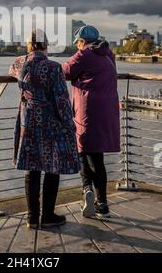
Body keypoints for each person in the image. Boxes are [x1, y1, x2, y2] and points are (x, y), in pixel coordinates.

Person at [9, 29, 80, 229]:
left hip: (28, 122)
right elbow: (62, 100)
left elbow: (13, 71)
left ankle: (32, 217)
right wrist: (69, 124)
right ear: (46, 45)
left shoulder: (18, 63)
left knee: (32, 169)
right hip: (50, 123)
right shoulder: (54, 68)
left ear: (28, 45)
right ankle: (48, 215)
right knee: (52, 167)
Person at [62, 25, 120, 219]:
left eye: (78, 43)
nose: (78, 46)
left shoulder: (84, 55)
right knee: (96, 157)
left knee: (84, 152)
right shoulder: (108, 55)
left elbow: (66, 72)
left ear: (81, 42)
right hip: (107, 112)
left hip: (87, 112)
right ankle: (101, 203)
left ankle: (88, 189)